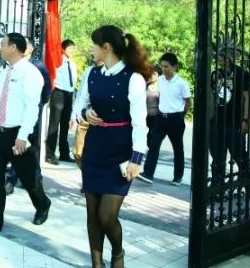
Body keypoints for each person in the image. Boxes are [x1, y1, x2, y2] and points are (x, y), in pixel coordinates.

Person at [78, 25, 151, 268]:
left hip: (120, 153)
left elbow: (140, 123)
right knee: (92, 213)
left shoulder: (133, 78)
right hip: (94, 149)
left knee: (107, 215)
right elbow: (79, 106)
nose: (91, 49)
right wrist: (85, 113)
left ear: (106, 47)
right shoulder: (91, 73)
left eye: (94, 44)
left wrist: (136, 159)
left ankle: (117, 254)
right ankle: (97, 264)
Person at [0, 32, 52, 234]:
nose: (0, 48)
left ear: (13, 47)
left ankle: (43, 204)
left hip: (18, 135)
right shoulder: (3, 74)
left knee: (29, 178)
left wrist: (23, 136)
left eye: (3, 44)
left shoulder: (31, 73)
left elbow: (32, 107)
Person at [5, 36, 51, 195]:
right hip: (15, 115)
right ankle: (16, 178)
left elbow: (46, 91)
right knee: (16, 145)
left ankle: (31, 178)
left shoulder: (38, 67)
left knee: (30, 146)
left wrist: (37, 107)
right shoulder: (13, 66)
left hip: (31, 114)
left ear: (30, 48)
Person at [139, 53, 191, 186]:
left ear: (174, 66)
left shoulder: (182, 83)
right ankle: (148, 174)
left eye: (166, 66)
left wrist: (181, 115)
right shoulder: (160, 80)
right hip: (161, 118)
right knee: (153, 144)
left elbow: (188, 102)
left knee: (177, 148)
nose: (164, 69)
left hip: (176, 119)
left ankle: (178, 177)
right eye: (162, 66)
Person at [210, 47, 250, 187]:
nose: (220, 60)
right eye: (218, 57)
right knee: (217, 158)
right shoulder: (215, 74)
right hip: (217, 122)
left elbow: (247, 98)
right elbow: (212, 96)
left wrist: (245, 120)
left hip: (235, 122)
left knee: (239, 156)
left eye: (222, 57)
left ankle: (248, 186)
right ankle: (217, 188)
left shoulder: (241, 74)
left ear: (230, 57)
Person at [46, 39, 78, 164]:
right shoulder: (57, 62)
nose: (72, 51)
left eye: (73, 48)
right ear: (63, 49)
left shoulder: (73, 64)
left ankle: (64, 153)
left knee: (65, 125)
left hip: (69, 94)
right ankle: (50, 154)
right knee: (54, 124)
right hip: (58, 93)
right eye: (70, 48)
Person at [72, 57, 104, 169]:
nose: (92, 53)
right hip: (85, 116)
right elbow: (81, 94)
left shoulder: (113, 72)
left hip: (101, 119)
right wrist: (75, 114)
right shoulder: (89, 70)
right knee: (78, 152)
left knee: (95, 155)